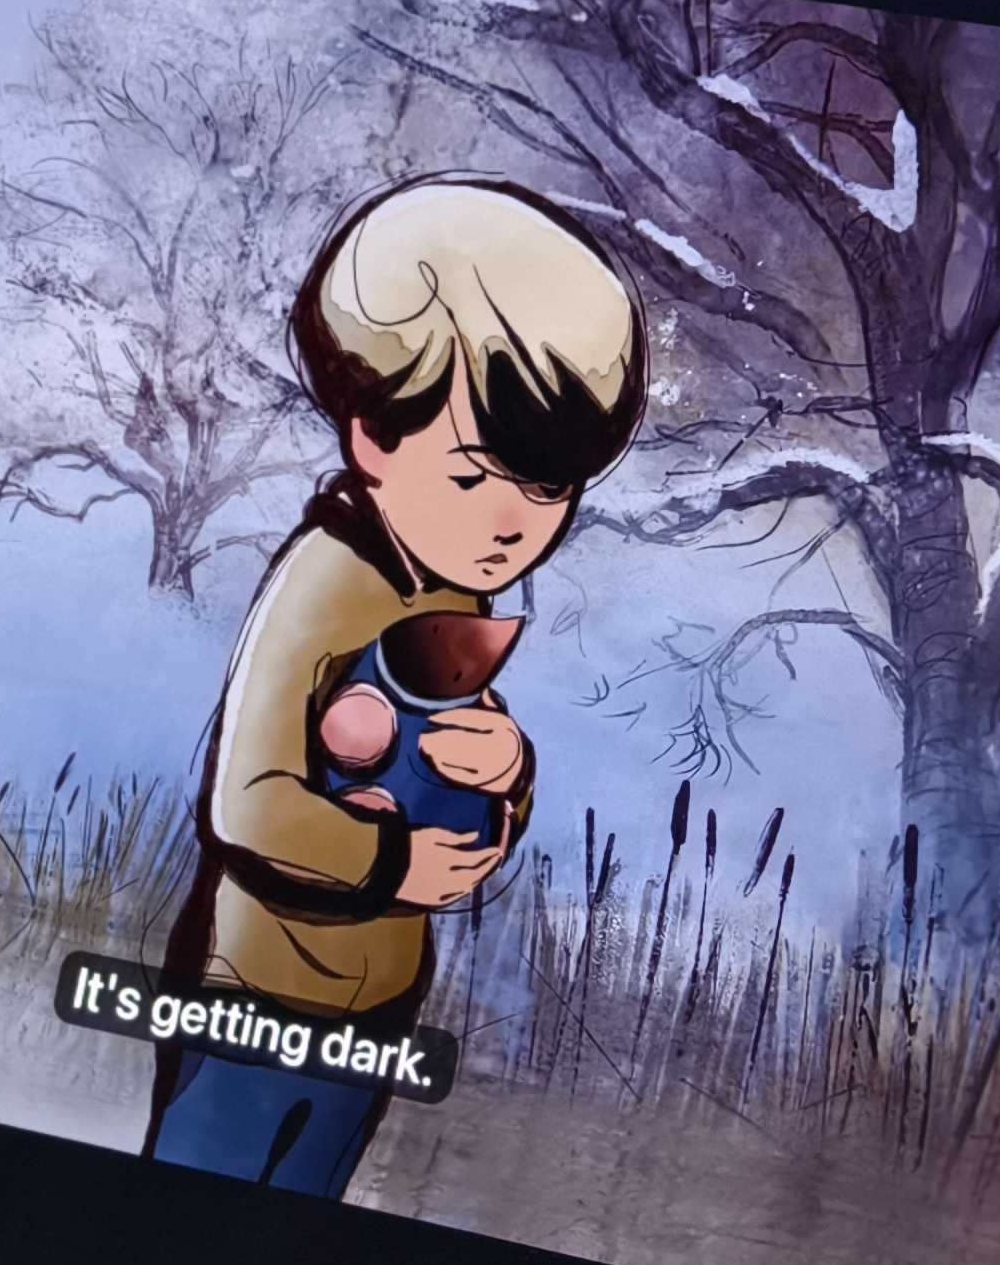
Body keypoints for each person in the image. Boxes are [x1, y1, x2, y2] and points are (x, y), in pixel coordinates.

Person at [142, 176, 646, 1196]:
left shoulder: (452, 581)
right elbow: (246, 805)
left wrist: (505, 774)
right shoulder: (325, 582)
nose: (510, 524)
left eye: (548, 488)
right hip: (257, 990)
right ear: (372, 432)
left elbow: (456, 765)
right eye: (471, 476)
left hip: (375, 1003)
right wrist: (392, 864)